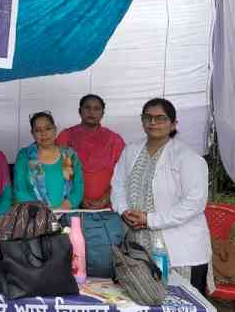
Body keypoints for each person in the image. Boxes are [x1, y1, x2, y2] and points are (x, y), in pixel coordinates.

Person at [111, 98, 211, 295]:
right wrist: (123, 211)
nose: (153, 122)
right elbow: (118, 184)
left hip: (179, 249)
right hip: (138, 243)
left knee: (183, 308)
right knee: (144, 302)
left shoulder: (188, 157)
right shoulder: (131, 150)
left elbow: (195, 203)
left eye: (160, 118)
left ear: (173, 124)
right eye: (147, 117)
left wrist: (150, 219)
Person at [56, 94, 125, 209]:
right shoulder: (66, 136)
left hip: (107, 206)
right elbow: (58, 172)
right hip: (71, 204)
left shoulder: (114, 140)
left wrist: (105, 199)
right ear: (79, 111)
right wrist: (78, 198)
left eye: (96, 109)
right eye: (87, 108)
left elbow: (124, 175)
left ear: (103, 113)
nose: (91, 112)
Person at [14, 112, 84, 209]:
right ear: (32, 133)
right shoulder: (24, 156)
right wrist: (44, 212)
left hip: (67, 216)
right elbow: (20, 190)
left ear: (55, 130)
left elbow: (78, 188)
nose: (44, 133)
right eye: (38, 130)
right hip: (36, 217)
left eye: (48, 128)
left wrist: (63, 208)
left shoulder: (69, 155)